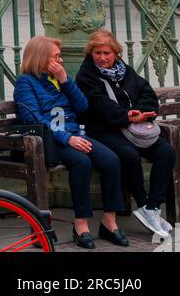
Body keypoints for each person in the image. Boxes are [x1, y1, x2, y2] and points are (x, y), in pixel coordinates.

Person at [15, 34, 126, 248]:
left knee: (111, 160)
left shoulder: (58, 79)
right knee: (81, 162)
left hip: (75, 134)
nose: (60, 61)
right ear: (41, 57)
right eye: (56, 57)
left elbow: (83, 107)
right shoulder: (25, 83)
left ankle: (109, 222)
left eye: (60, 56)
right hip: (48, 141)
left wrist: (66, 81)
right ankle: (81, 225)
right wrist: (67, 138)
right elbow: (35, 119)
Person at [76, 29, 174, 238]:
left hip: (134, 128)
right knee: (128, 155)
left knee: (166, 152)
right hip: (104, 130)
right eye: (97, 53)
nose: (102, 58)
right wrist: (128, 116)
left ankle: (152, 207)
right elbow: (98, 105)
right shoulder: (86, 76)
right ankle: (142, 202)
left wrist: (142, 113)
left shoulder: (125, 70)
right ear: (90, 53)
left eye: (106, 53)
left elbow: (146, 92)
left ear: (116, 54)